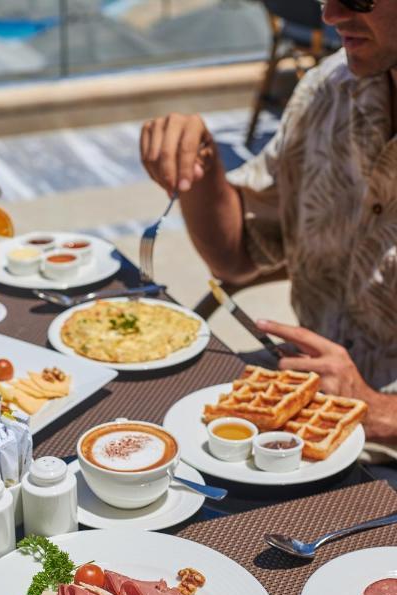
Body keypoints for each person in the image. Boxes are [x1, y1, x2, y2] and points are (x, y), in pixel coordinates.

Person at [140, 0, 397, 447]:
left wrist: (375, 410)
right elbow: (236, 256)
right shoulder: (328, 89)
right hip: (295, 419)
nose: (330, 16)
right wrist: (202, 167)